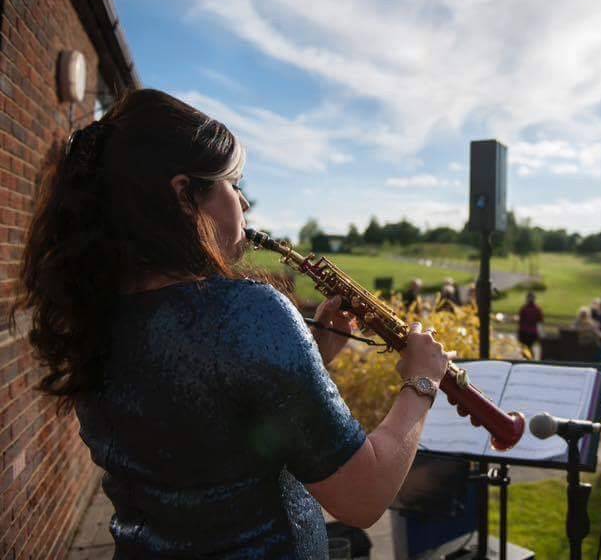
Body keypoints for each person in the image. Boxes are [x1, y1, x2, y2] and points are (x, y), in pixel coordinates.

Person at [12, 89, 450, 558]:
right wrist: (421, 381)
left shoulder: (92, 310)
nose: (243, 202)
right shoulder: (249, 311)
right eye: (231, 182)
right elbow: (363, 497)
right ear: (184, 194)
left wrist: (313, 349)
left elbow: (201, 409)